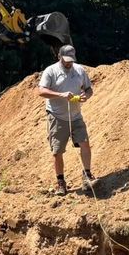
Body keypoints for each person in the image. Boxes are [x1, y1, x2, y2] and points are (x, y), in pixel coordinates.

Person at [36, 44, 94, 195]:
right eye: (66, 60)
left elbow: (89, 89)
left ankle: (87, 176)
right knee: (57, 152)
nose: (69, 63)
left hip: (76, 116)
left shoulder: (79, 70)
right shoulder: (51, 71)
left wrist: (85, 96)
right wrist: (60, 95)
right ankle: (61, 182)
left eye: (71, 60)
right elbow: (41, 91)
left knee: (85, 144)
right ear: (59, 57)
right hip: (57, 116)